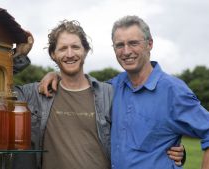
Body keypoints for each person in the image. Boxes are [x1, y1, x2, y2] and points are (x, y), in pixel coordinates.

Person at [39, 16, 209, 169]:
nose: (126, 51)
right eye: (119, 45)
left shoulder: (172, 91)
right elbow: (80, 85)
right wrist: (56, 74)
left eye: (133, 43)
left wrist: (179, 155)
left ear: (149, 44)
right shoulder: (112, 87)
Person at [12, 20, 184, 169]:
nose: (70, 54)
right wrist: (19, 56)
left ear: (86, 51)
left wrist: (175, 150)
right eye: (63, 48)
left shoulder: (109, 93)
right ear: (53, 54)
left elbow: (144, 130)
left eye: (75, 47)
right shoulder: (36, 94)